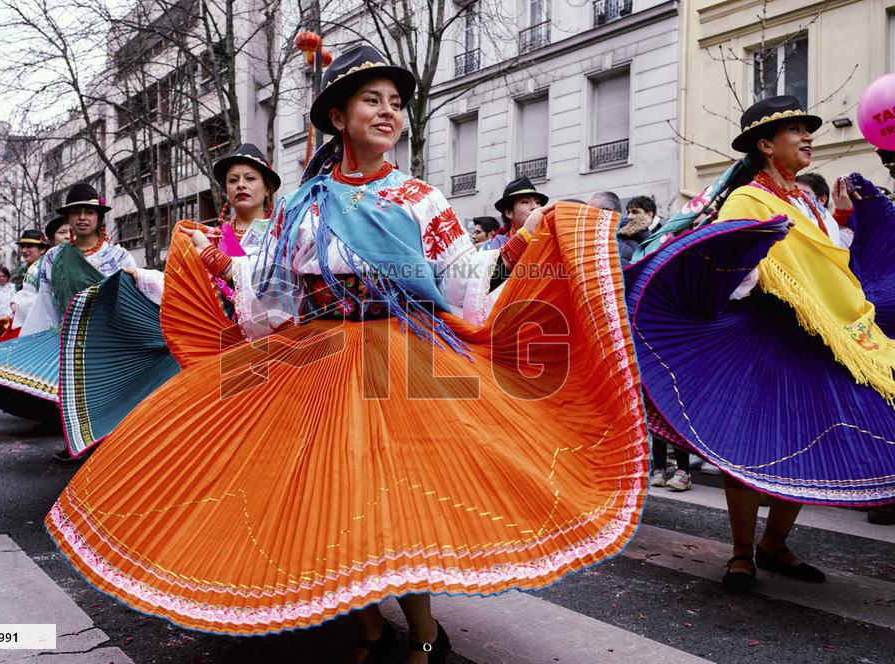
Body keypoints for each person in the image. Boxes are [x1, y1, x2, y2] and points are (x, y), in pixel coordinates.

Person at [45, 44, 649, 664]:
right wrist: (217, 262)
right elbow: (269, 295)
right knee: (333, 498)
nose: (388, 112)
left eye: (395, 102)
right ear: (338, 116)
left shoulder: (419, 198)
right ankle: (366, 627)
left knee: (400, 496)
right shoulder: (303, 206)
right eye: (371, 100)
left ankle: (423, 632)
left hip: (404, 354)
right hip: (317, 360)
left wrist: (523, 244)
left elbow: (461, 279)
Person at [623, 95, 894, 594]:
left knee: (803, 442)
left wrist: (839, 217)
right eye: (797, 129)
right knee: (747, 448)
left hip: (816, 338)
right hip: (766, 337)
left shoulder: (806, 201)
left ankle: (774, 545)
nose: (808, 136)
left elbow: (831, 264)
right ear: (767, 145)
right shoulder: (748, 199)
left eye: (807, 129)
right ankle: (743, 553)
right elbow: (732, 270)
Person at [57, 143, 281, 457]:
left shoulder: (283, 235)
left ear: (268, 187)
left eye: (250, 178)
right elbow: (182, 293)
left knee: (267, 433)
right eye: (232, 180)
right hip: (215, 351)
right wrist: (141, 277)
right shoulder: (205, 236)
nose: (240, 185)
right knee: (227, 439)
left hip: (270, 349)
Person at [0, 183, 163, 429]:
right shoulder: (53, 258)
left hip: (108, 341)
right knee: (71, 397)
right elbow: (45, 305)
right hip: (67, 340)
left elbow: (134, 301)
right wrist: (28, 349)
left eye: (89, 211)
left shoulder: (119, 258)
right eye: (76, 212)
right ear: (68, 218)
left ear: (99, 217)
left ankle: (101, 448)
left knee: (106, 399)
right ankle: (75, 442)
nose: (82, 218)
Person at [482, 177, 547, 250]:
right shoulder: (494, 246)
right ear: (509, 213)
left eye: (537, 202)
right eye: (525, 202)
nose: (535, 207)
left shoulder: (550, 239)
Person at [617, 195, 661, 265]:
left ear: (649, 214)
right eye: (628, 212)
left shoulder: (662, 239)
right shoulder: (620, 234)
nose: (629, 216)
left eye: (635, 212)